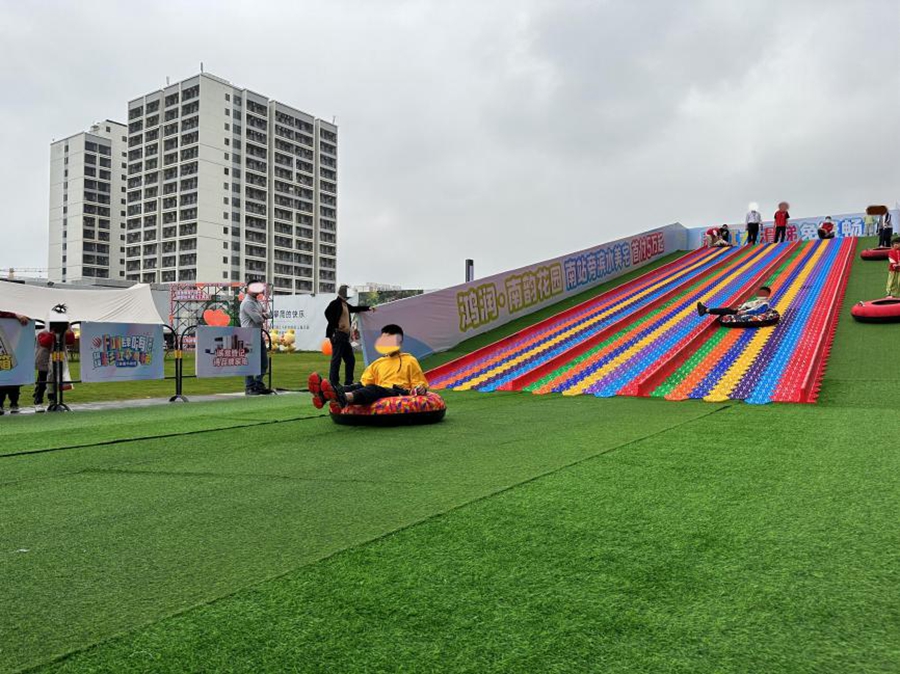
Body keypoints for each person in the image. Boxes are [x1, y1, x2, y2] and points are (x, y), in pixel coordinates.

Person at [308, 324, 426, 409]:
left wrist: (421, 389)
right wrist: (348, 387)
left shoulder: (409, 360)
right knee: (356, 386)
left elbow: (419, 384)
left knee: (373, 389)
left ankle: (344, 398)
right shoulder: (378, 363)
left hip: (397, 391)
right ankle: (323, 395)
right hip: (380, 389)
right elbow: (364, 383)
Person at [324, 285, 374, 385]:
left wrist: (368, 308)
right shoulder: (335, 303)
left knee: (350, 359)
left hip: (344, 336)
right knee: (337, 359)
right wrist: (336, 325)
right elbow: (327, 313)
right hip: (337, 334)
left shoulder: (345, 304)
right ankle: (334, 383)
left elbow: (354, 309)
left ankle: (348, 382)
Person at [239, 280, 272, 395]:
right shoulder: (247, 303)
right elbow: (258, 319)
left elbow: (267, 314)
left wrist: (263, 315)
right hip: (248, 335)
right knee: (249, 362)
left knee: (263, 362)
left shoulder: (256, 302)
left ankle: (258, 384)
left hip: (257, 334)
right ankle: (249, 386)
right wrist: (263, 315)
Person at [33, 325, 74, 412]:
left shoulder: (63, 331)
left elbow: (70, 341)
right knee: (42, 381)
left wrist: (68, 330)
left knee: (54, 381)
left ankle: (52, 400)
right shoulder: (43, 331)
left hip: (58, 359)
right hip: (45, 361)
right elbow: (45, 343)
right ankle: (38, 401)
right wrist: (52, 333)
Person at [0, 311, 29, 415]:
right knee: (2, 380)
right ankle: (1, 404)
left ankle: (14, 403)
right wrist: (16, 315)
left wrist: (18, 315)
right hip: (4, 348)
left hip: (14, 348)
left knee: (14, 379)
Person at [697, 286, 773, 317]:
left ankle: (706, 310)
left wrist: (744, 312)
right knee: (727, 310)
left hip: (744, 313)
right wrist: (742, 306)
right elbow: (750, 305)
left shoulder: (765, 304)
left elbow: (757, 311)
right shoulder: (758, 301)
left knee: (727, 310)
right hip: (742, 311)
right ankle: (706, 310)